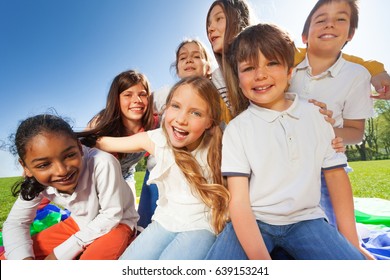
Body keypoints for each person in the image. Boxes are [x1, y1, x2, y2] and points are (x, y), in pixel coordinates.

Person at [206, 23, 374, 260]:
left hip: (307, 220)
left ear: (290, 72)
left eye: (272, 63)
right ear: (238, 78)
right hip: (254, 220)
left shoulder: (316, 116)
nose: (260, 74)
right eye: (249, 68)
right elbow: (240, 201)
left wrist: (353, 244)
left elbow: (336, 176)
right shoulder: (237, 129)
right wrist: (263, 264)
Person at [95, 76, 230, 260]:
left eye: (196, 113)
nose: (181, 119)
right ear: (166, 108)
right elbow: (106, 143)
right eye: (176, 106)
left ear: (210, 121)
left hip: (202, 226)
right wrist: (91, 132)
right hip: (165, 220)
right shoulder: (158, 139)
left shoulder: (218, 145)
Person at [206, 0, 390, 113]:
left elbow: (326, 56)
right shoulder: (217, 78)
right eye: (208, 23)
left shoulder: (275, 52)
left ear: (238, 18)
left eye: (218, 19)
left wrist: (376, 70)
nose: (210, 28)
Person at [1, 114, 138, 260]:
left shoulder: (103, 163)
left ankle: (130, 240)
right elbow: (16, 222)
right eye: (44, 165)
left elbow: (111, 216)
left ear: (79, 147)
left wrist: (58, 255)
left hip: (118, 224)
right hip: (79, 223)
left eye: (69, 155)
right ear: (25, 167)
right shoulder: (35, 182)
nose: (62, 171)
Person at [289, 0, 373, 226]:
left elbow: (356, 133)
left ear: (350, 34)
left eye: (340, 19)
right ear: (305, 36)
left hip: (328, 169)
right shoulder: (286, 68)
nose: (330, 25)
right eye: (321, 20)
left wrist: (325, 129)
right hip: (285, 167)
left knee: (333, 233)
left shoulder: (357, 75)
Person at [138, 38, 231, 229]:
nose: (189, 60)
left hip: (200, 172)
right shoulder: (165, 93)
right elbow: (137, 106)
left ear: (208, 68)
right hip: (161, 170)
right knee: (150, 225)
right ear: (177, 68)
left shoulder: (216, 94)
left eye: (196, 56)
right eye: (183, 58)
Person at [78, 69, 158, 202]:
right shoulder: (101, 123)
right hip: (98, 179)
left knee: (130, 215)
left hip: (126, 175)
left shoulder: (154, 123)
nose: (137, 100)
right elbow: (80, 151)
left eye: (142, 94)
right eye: (128, 95)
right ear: (116, 99)